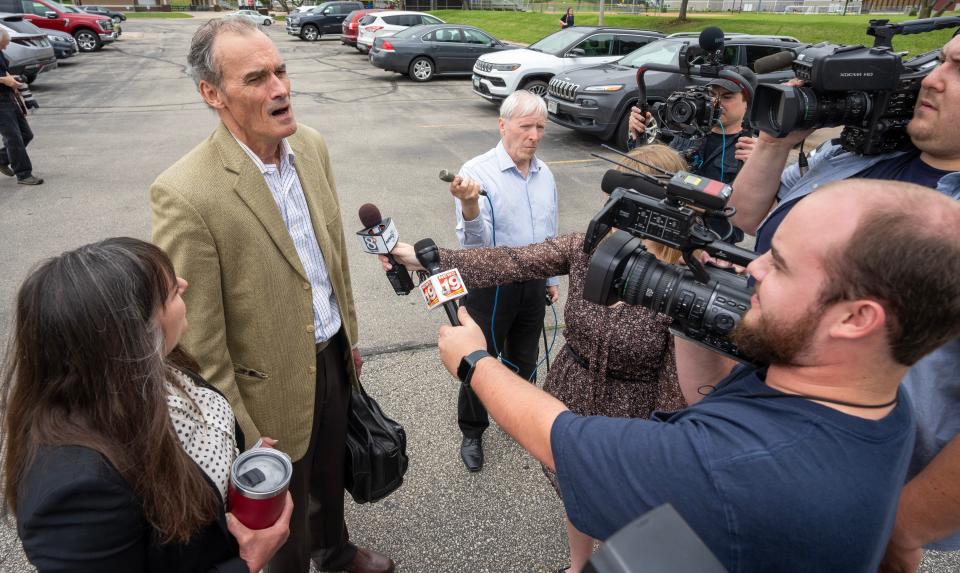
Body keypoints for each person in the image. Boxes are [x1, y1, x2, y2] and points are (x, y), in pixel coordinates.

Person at [435, 179, 960, 572]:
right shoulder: (880, 404)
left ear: (855, 318)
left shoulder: (732, 469)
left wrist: (475, 360)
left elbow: (563, 441)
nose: (751, 270)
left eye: (778, 264)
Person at [150, 16, 394, 573]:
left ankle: (336, 552)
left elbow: (331, 259)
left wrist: (348, 340)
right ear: (212, 94)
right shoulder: (185, 192)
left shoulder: (310, 146)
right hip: (263, 386)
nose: (280, 88)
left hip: (330, 354)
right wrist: (239, 424)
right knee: (279, 509)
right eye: (257, 78)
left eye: (281, 71)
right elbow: (198, 339)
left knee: (330, 469)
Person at [384, 145, 688, 572]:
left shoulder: (690, 279)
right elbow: (512, 260)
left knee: (633, 512)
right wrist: (427, 258)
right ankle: (578, 563)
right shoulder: (590, 247)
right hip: (571, 396)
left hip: (637, 418)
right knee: (575, 491)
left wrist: (672, 446)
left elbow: (680, 385)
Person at [727, 35, 960, 569]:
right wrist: (775, 141)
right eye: (939, 60)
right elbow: (742, 217)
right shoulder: (854, 152)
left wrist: (899, 526)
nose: (932, 78)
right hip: (753, 433)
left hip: (860, 487)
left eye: (958, 69)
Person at [0, 237, 293, 572]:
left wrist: (239, 460)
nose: (183, 284)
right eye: (170, 293)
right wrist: (249, 563)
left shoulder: (147, 370)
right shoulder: (75, 493)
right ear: (134, 333)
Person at [448, 89, 559, 472]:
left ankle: (519, 419)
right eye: (526, 126)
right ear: (503, 124)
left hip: (533, 284)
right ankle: (473, 430)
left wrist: (549, 277)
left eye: (540, 127)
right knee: (481, 359)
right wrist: (470, 205)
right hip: (491, 286)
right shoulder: (476, 173)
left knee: (525, 357)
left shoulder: (546, 174)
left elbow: (550, 232)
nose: (534, 135)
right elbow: (475, 247)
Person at [628, 69, 758, 185]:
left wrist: (758, 165)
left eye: (727, 97)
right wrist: (640, 136)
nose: (715, 102)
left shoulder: (750, 148)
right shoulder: (688, 133)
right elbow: (654, 171)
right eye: (712, 95)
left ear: (748, 102)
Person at [0, 28, 41, 185]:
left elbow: (5, 73)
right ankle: (24, 174)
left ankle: (2, 158)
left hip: (8, 98)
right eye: (6, 42)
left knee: (26, 134)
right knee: (13, 138)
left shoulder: (0, 53)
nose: (7, 45)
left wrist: (15, 82)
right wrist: (4, 81)